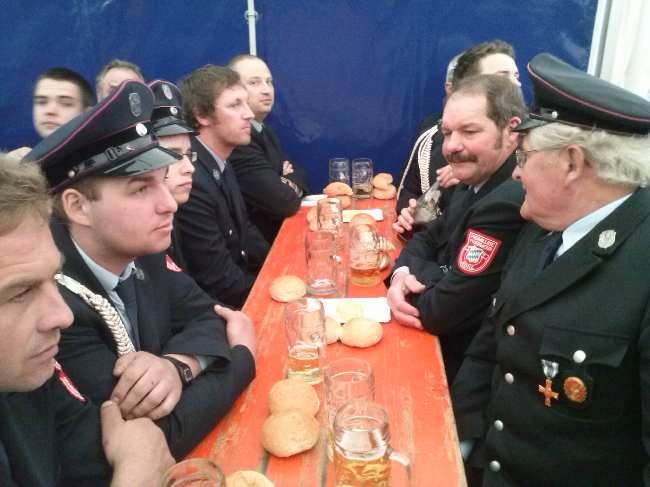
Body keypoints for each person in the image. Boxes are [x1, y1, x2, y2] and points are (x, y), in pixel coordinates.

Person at [24, 80, 257, 460]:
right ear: (78, 206)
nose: (169, 204)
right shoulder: (51, 300)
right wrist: (243, 357)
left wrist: (178, 366)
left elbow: (208, 315)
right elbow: (149, 437)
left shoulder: (140, 248)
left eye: (162, 182)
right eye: (140, 189)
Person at [452, 53, 650, 486]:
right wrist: (458, 443)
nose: (516, 173)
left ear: (572, 163)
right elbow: (491, 343)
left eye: (522, 156)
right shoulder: (544, 226)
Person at [0, 153, 174, 486]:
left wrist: (179, 366)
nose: (63, 315)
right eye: (20, 292)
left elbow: (96, 452)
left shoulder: (23, 375)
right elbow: (138, 455)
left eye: (52, 278)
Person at [386, 74, 526, 382]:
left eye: (469, 131)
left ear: (511, 130)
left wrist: (417, 277)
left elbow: (442, 311)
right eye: (447, 133)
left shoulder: (508, 198)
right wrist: (401, 275)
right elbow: (426, 235)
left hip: (462, 367)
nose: (451, 146)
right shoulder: (472, 175)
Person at [395, 40, 521, 221]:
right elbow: (411, 199)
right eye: (501, 77)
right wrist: (415, 218)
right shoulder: (432, 138)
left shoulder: (539, 145)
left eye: (516, 76)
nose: (516, 84)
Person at [178, 65, 270, 308]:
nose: (248, 113)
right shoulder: (192, 179)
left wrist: (279, 265)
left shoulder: (221, 161)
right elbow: (219, 280)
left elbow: (244, 230)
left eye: (246, 103)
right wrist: (270, 294)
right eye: (235, 105)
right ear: (201, 115)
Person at [228, 54, 310, 242]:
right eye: (254, 83)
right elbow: (283, 202)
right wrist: (284, 180)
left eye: (269, 82)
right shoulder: (238, 142)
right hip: (261, 248)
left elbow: (299, 173)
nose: (266, 90)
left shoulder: (265, 130)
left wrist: (285, 180)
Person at [148, 79, 196, 271]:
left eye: (188, 154)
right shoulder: (140, 231)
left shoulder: (170, 211)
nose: (189, 168)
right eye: (173, 155)